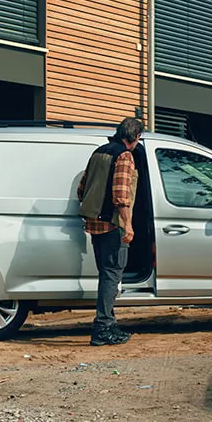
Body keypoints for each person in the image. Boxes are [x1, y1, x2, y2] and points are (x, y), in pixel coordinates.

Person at [77, 117, 145, 347]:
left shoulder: (99, 152)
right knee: (111, 276)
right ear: (136, 137)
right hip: (112, 224)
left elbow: (82, 188)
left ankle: (109, 323)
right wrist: (128, 226)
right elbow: (120, 196)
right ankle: (103, 328)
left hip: (95, 223)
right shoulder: (124, 156)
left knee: (106, 274)